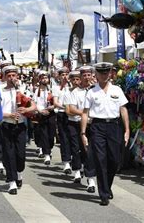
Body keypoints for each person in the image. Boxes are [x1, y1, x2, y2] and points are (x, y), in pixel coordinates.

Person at [80, 62, 130, 206]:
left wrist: (127, 130)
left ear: (110, 73)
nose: (104, 75)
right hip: (97, 126)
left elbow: (123, 110)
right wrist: (83, 133)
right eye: (101, 72)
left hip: (114, 126)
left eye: (106, 72)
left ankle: (107, 186)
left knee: (114, 160)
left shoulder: (117, 90)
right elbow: (85, 113)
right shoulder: (91, 91)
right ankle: (103, 193)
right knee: (101, 160)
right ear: (96, 74)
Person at [0, 65, 37, 195]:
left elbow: (34, 106)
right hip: (6, 125)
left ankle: (19, 172)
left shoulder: (22, 90)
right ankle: (12, 182)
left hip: (20, 126)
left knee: (20, 155)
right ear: (4, 77)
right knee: (8, 154)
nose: (11, 78)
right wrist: (8, 115)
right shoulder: (0, 91)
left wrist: (26, 110)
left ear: (17, 76)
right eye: (8, 76)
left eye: (13, 75)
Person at [66, 65, 97, 193]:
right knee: (76, 148)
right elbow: (71, 109)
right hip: (76, 123)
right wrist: (84, 114)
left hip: (92, 125)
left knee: (89, 151)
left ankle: (91, 179)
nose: (86, 77)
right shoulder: (75, 92)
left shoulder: (95, 90)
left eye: (89, 75)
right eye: (84, 75)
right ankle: (77, 170)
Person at [63, 70, 83, 183]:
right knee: (75, 148)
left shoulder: (85, 91)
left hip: (85, 123)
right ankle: (77, 172)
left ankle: (84, 166)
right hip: (73, 123)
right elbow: (68, 111)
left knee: (84, 148)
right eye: (73, 79)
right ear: (70, 80)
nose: (75, 82)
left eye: (77, 79)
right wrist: (81, 113)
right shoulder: (68, 93)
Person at [32, 70, 55, 165]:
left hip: (51, 114)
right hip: (41, 115)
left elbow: (58, 102)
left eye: (46, 78)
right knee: (44, 135)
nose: (45, 80)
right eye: (43, 78)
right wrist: (40, 111)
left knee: (50, 135)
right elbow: (34, 103)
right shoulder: (37, 91)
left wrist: (52, 107)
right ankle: (46, 154)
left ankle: (49, 148)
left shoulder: (52, 89)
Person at [53, 67, 72, 174]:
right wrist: (65, 107)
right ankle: (66, 162)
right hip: (62, 113)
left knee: (73, 138)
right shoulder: (56, 88)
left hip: (72, 115)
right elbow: (55, 102)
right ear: (59, 77)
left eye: (66, 74)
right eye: (63, 75)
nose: (65, 77)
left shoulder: (72, 86)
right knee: (64, 138)